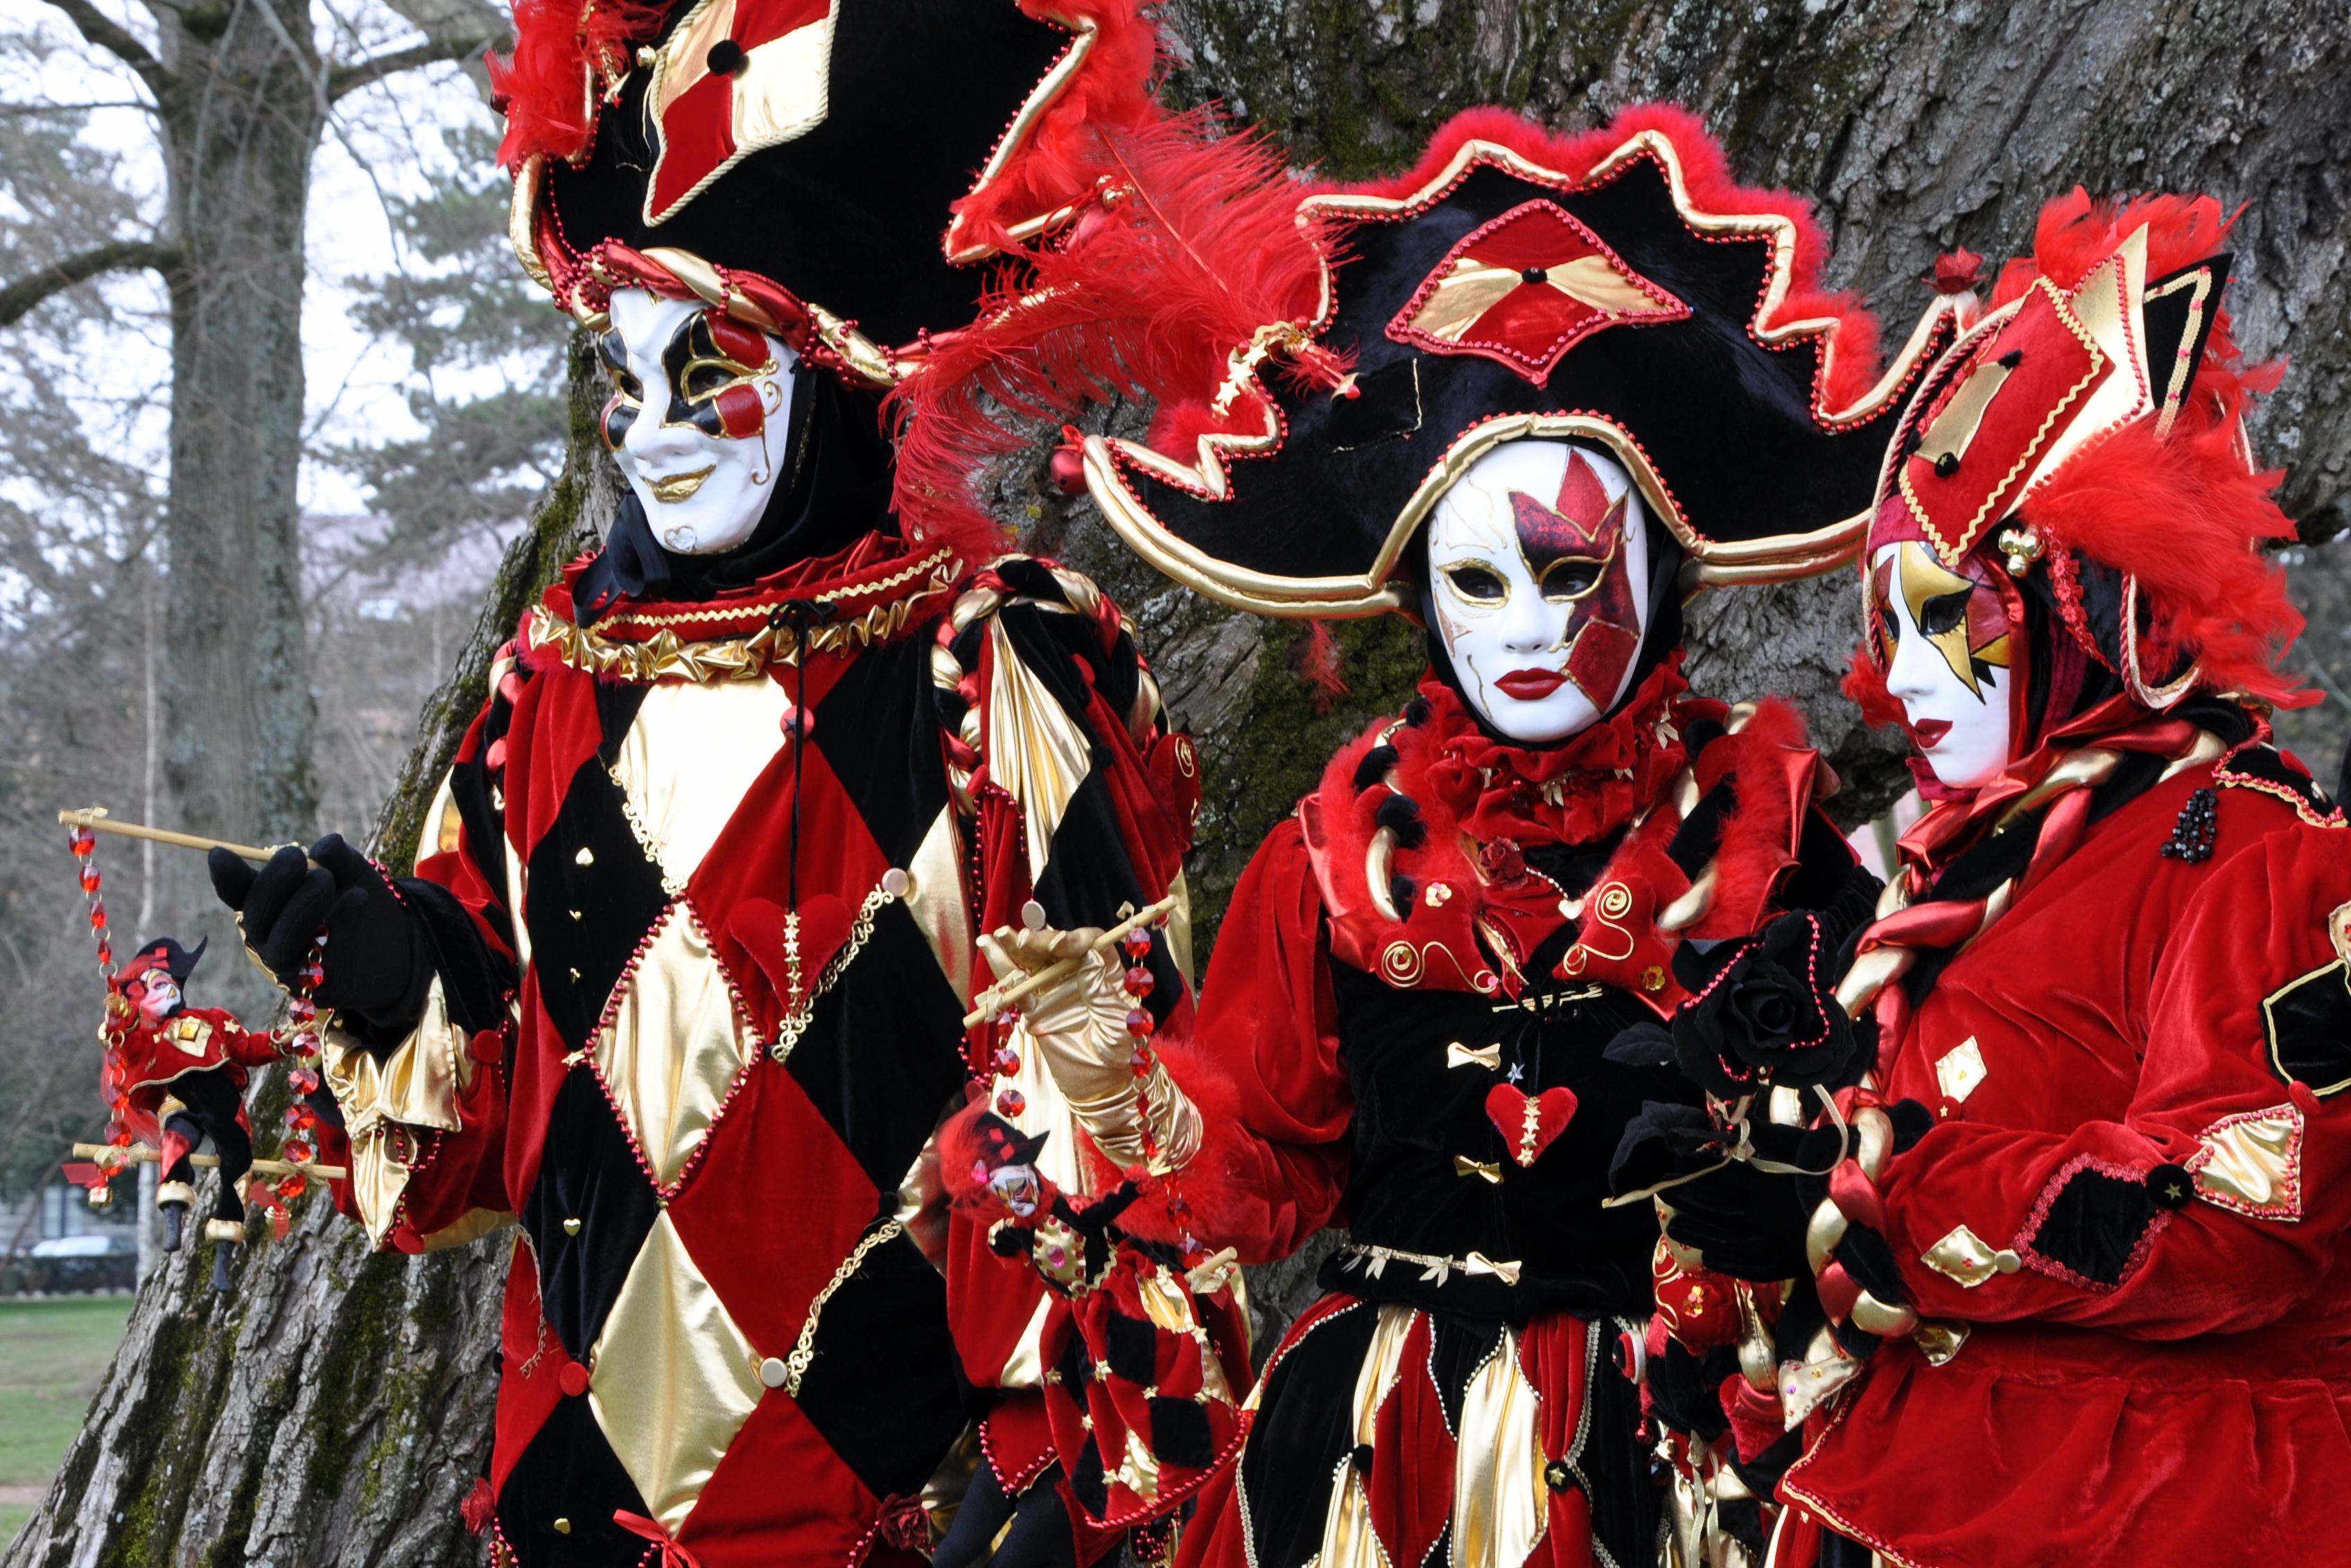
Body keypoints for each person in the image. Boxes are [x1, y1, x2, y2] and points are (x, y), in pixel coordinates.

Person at [205, 4, 1219, 1565]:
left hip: (877, 1518)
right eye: (626, 378)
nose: (655, 433)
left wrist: (1050, 1498)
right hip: (571, 1515)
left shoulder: (986, 672)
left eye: (711, 368)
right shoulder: (554, 682)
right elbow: (472, 1153)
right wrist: (396, 978)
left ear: (837, 366)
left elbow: (1109, 1119)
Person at [965, 105, 1958, 1568]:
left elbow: (1877, 1144)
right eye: (1480, 582)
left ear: (1659, 572)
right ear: (1419, 593)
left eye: (1573, 574)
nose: (1532, 629)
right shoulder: (1338, 844)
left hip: (1672, 1447)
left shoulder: (1771, 832)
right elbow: (1263, 1165)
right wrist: (1123, 1098)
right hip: (1377, 1451)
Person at [1652, 191, 2351, 1567]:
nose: (1901, 671)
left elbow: (2241, 1220)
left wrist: (1877, 1205)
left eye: (1945, 615)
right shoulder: (1960, 881)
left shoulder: (2256, 850)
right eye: (1885, 622)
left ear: (2074, 605)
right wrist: (1741, 1254)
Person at [105, 937, 279, 1287]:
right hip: (178, 1099)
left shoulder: (214, 1020)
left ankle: (224, 1252)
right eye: (149, 988)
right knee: (175, 1139)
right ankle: (173, 1212)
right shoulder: (149, 1037)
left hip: (223, 1102)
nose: (159, 990)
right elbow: (125, 1048)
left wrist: (282, 1041)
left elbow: (247, 1047)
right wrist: (119, 1022)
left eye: (163, 983)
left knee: (237, 1164)